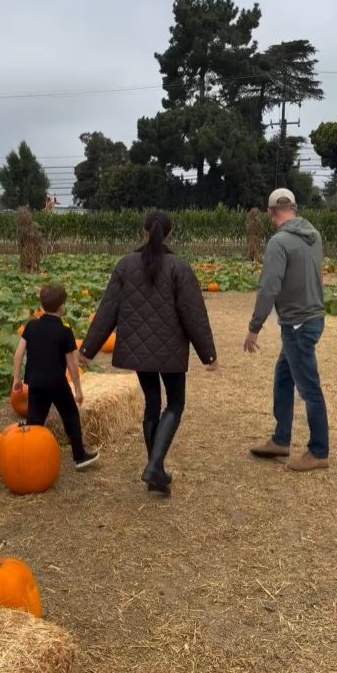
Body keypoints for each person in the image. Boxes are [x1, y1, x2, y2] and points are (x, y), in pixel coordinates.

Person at [79, 210, 218, 494]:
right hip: (171, 350)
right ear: (169, 234)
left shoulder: (125, 265)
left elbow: (107, 310)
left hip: (138, 349)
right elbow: (192, 313)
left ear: (144, 231)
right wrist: (208, 354)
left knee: (152, 402)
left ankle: (156, 468)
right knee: (175, 404)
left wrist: (88, 349)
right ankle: (155, 466)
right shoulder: (179, 267)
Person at [244, 189, 329, 471]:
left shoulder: (278, 242)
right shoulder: (314, 235)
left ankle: (319, 451)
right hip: (313, 317)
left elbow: (269, 287)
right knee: (283, 376)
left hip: (297, 323)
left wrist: (254, 327)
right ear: (295, 208)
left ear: (270, 212)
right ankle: (281, 440)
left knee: (309, 388)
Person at [13, 283, 99, 470]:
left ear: (42, 305)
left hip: (35, 382)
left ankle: (27, 458)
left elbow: (18, 353)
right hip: (57, 383)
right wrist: (78, 390)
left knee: (35, 421)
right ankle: (80, 457)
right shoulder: (65, 332)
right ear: (62, 307)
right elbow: (72, 364)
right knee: (70, 416)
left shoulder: (31, 326)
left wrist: (16, 378)